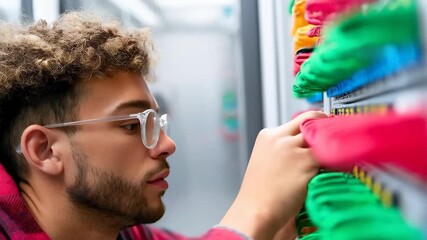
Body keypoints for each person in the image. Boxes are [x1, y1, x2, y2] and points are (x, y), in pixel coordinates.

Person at [0, 11, 327, 240]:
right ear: (44, 150)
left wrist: (276, 227)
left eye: (156, 122)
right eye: (132, 125)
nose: (167, 144)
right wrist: (255, 211)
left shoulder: (117, 229)